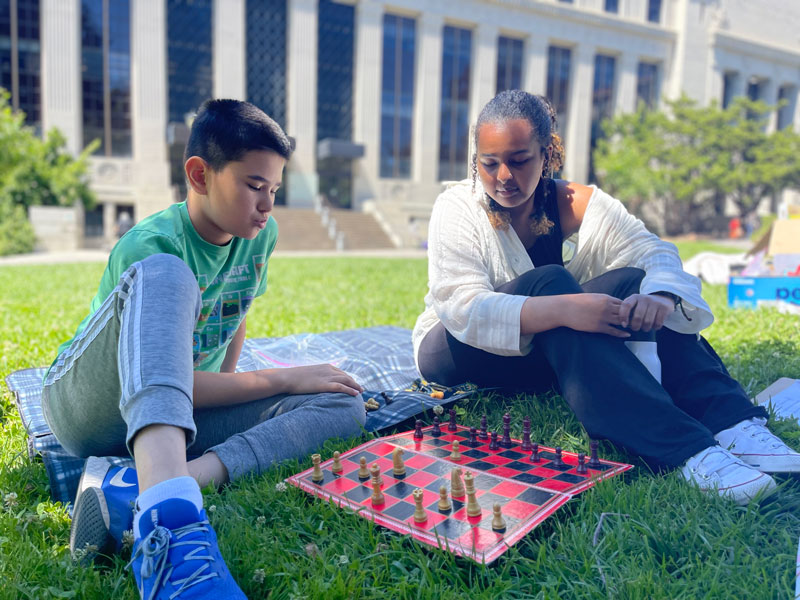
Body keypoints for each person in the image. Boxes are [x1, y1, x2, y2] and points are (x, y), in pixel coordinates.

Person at [42, 99, 366, 599]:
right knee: (169, 276)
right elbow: (154, 378)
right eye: (255, 186)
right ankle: (168, 536)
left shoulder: (261, 236)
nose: (267, 205)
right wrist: (284, 378)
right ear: (199, 175)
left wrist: (238, 386)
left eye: (275, 189)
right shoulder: (150, 245)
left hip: (177, 416)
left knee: (343, 400)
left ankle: (144, 486)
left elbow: (236, 314)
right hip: (90, 404)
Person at [413, 90, 800, 506]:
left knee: (639, 281)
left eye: (519, 160)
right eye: (489, 163)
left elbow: (655, 252)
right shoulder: (456, 206)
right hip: (457, 350)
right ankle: (684, 449)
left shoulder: (575, 202)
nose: (503, 175)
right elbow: (461, 306)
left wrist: (662, 297)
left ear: (548, 154)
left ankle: (733, 421)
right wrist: (568, 307)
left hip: (545, 350)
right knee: (551, 282)